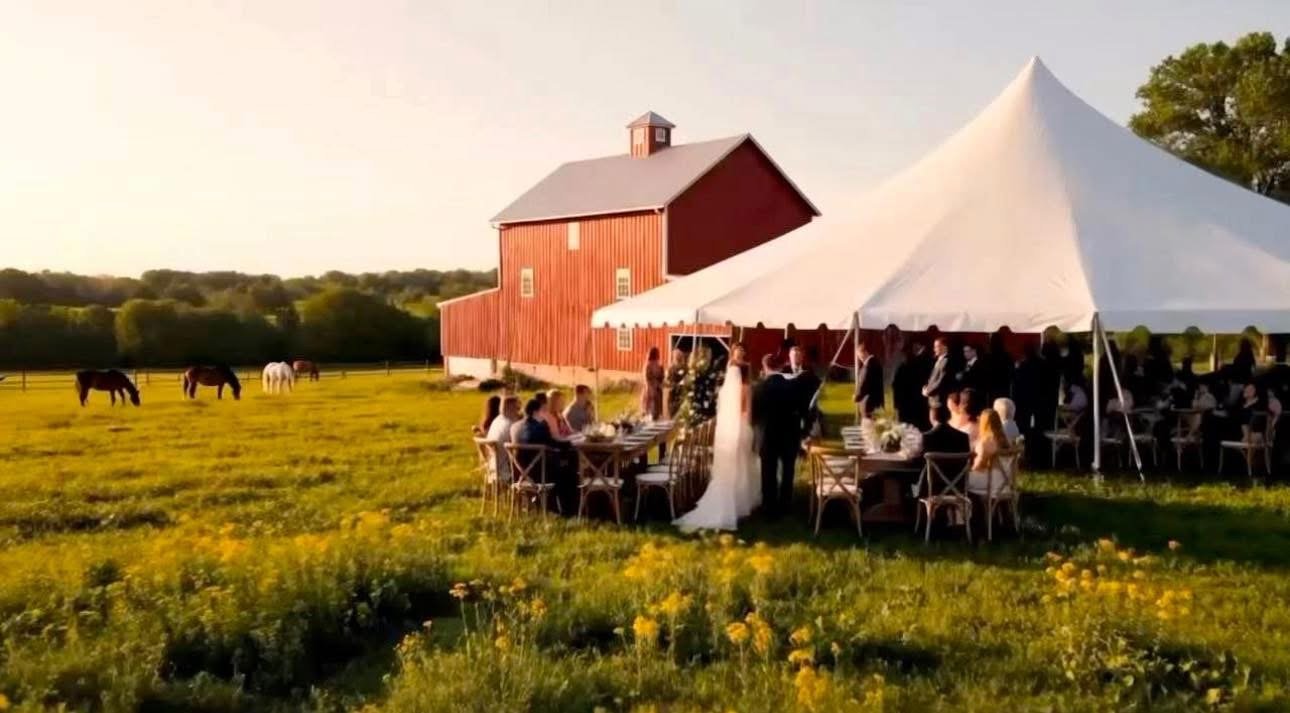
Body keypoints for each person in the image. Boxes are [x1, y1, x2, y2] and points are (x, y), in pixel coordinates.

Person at [674, 354, 760, 532]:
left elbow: (721, 414)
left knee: (729, 469)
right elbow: (748, 415)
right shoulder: (746, 388)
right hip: (742, 430)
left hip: (726, 433)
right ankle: (740, 503)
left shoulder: (724, 391)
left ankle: (729, 501)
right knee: (742, 468)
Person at [516, 398, 577, 511]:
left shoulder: (521, 427)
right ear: (535, 412)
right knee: (570, 472)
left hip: (525, 472)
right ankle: (569, 508)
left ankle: (551, 504)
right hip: (541, 472)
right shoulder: (540, 427)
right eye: (543, 411)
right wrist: (569, 444)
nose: (545, 413)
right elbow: (552, 444)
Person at [967, 409, 1008, 496]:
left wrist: (970, 469)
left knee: (960, 480)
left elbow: (979, 465)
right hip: (1005, 481)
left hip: (990, 482)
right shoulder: (1004, 440)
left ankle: (964, 507)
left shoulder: (985, 442)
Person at [785, 345, 822, 438]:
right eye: (794, 355)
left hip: (805, 412)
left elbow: (817, 388)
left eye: (798, 355)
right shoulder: (784, 371)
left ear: (802, 357)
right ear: (789, 356)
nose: (796, 357)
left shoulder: (809, 371)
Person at [894, 341, 931, 429]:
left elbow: (896, 385)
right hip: (915, 402)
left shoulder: (904, 366)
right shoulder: (917, 363)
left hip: (907, 402)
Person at [484, 396, 521, 482]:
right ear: (511, 408)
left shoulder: (496, 421)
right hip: (507, 471)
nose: (518, 412)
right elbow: (519, 447)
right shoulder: (511, 425)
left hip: (493, 468)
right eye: (517, 408)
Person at [853, 341, 884, 420]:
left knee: (869, 427)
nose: (859, 357)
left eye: (859, 354)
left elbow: (864, 384)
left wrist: (857, 397)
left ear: (864, 352)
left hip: (868, 403)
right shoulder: (876, 362)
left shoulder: (869, 366)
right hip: (876, 402)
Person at [922, 337, 954, 408]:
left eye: (937, 347)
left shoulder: (946, 361)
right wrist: (926, 387)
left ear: (945, 347)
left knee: (936, 419)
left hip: (939, 399)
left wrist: (928, 391)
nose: (934, 349)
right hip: (933, 398)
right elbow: (932, 377)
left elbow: (941, 381)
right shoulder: (938, 360)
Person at [641, 347, 665, 420]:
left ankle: (653, 417)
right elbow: (647, 378)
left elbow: (661, 377)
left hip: (654, 388)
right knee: (652, 407)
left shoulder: (657, 365)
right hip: (653, 388)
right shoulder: (651, 365)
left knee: (654, 407)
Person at [664, 347, 688, 419]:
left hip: (678, 390)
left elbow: (685, 378)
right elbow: (667, 379)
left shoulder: (682, 368)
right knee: (674, 408)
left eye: (676, 356)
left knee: (676, 407)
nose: (675, 358)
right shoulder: (672, 367)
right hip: (675, 390)